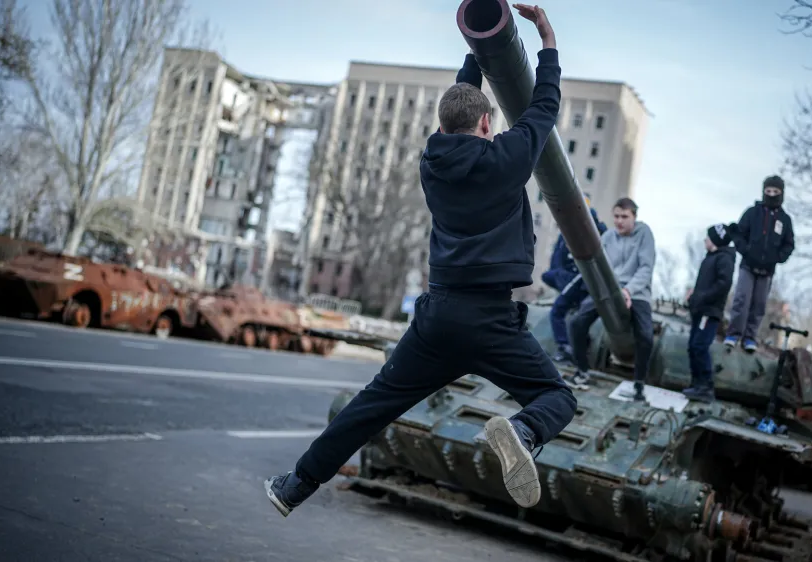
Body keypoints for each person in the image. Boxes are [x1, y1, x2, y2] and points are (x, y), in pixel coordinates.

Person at [264, 4, 574, 516]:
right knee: (556, 399)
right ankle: (521, 430)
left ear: (443, 122)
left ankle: (293, 486)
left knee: (371, 406)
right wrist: (546, 37)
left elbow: (463, 97)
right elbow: (545, 104)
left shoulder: (431, 160)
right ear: (484, 121)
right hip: (493, 320)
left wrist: (479, 47)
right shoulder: (508, 158)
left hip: (438, 318)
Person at [567, 197, 655, 400]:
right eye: (616, 216)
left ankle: (639, 384)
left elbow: (645, 268)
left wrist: (629, 291)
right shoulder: (607, 237)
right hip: (608, 291)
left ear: (634, 217)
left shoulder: (644, 234)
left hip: (637, 292)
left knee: (646, 336)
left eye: (624, 216)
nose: (619, 221)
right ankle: (582, 371)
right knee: (576, 323)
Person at [725, 175, 795, 352]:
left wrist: (778, 257)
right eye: (768, 191)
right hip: (748, 266)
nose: (771, 194)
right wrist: (745, 249)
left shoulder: (785, 220)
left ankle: (750, 337)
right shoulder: (752, 213)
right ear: (763, 192)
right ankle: (733, 334)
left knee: (759, 305)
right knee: (742, 299)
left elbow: (789, 244)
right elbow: (739, 233)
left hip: (767, 271)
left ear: (781, 193)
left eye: (775, 192)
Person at [541, 200, 607, 363]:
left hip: (585, 279)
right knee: (556, 304)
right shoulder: (566, 231)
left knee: (564, 312)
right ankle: (565, 347)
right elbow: (557, 258)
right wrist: (561, 276)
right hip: (569, 278)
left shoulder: (600, 232)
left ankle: (572, 349)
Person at [682, 224, 736, 402]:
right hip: (700, 309)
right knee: (692, 346)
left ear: (716, 239)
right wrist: (695, 296)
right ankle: (696, 383)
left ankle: (705, 386)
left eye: (708, 236)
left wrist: (703, 297)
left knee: (700, 346)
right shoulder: (711, 258)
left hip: (709, 310)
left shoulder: (724, 259)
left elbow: (723, 284)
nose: (705, 239)